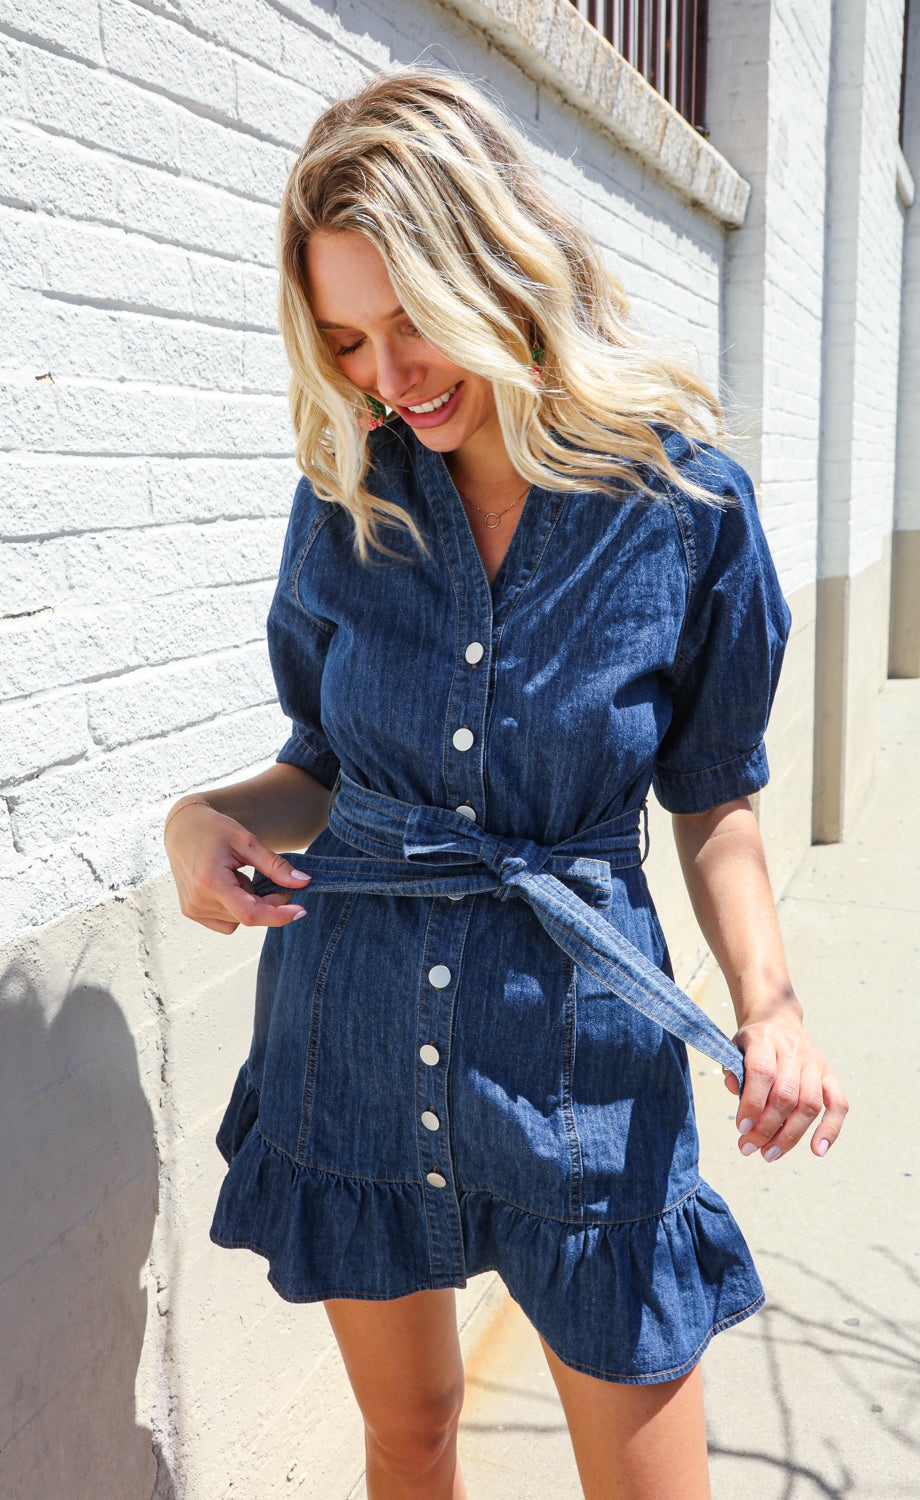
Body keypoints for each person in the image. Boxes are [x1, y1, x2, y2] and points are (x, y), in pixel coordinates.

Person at [163, 69, 848, 1500]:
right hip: (350, 1030)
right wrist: (202, 822)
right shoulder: (346, 493)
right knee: (408, 1443)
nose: (385, 377)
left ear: (497, 264)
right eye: (345, 338)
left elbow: (714, 795)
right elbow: (320, 768)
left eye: (411, 320)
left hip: (582, 1061)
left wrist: (769, 1007)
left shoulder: (683, 508)